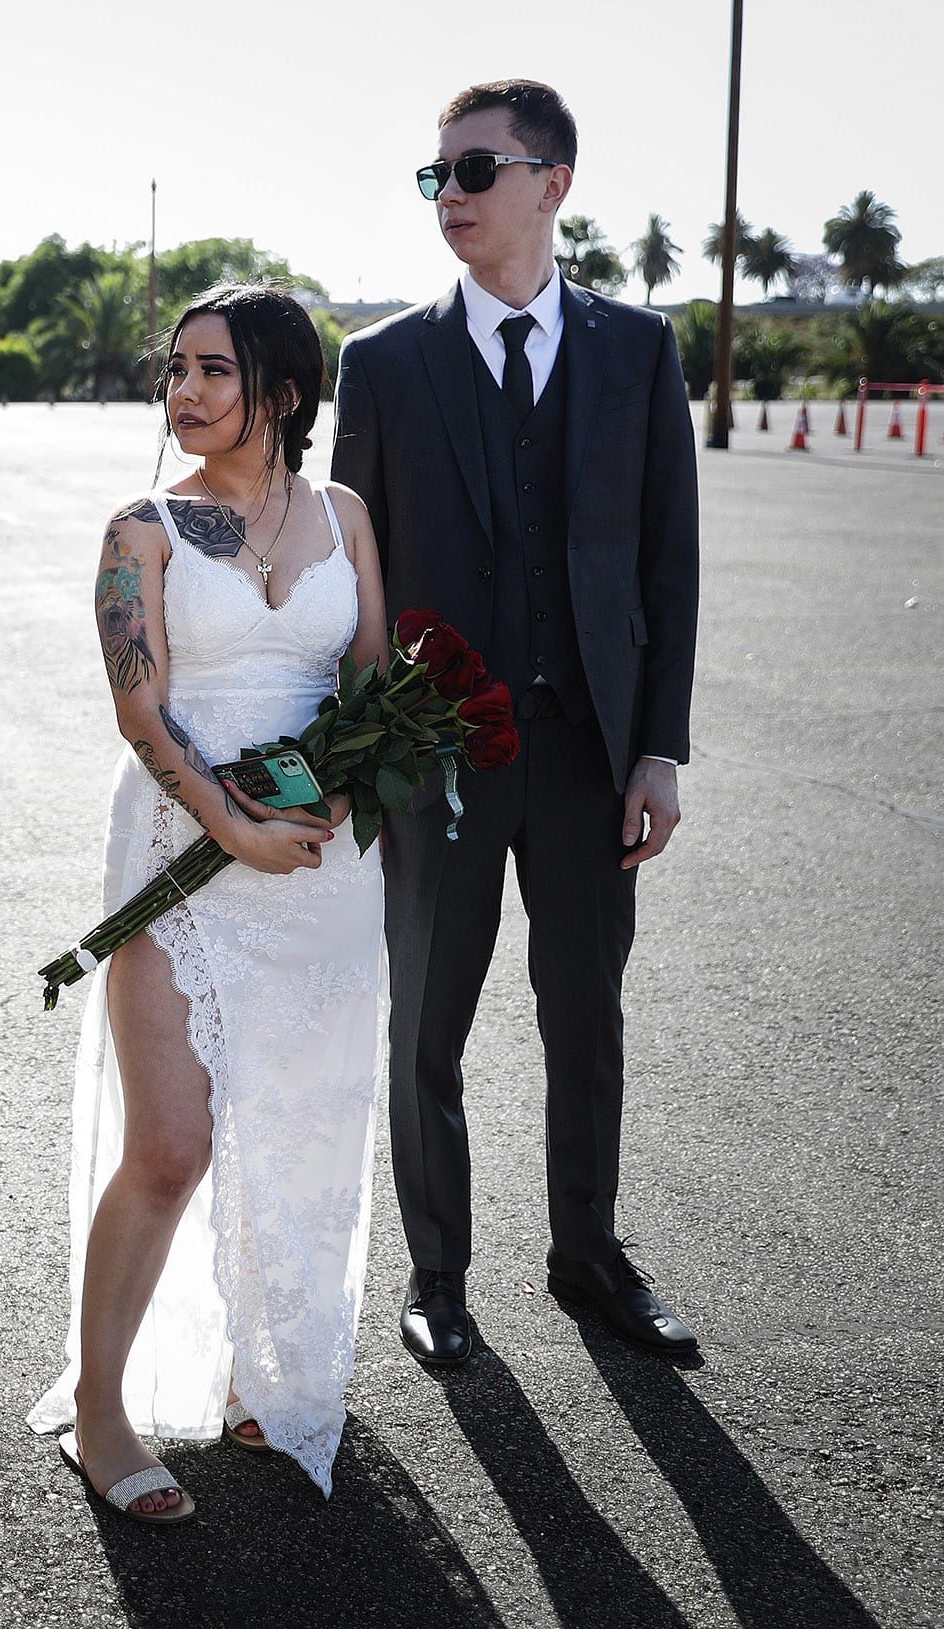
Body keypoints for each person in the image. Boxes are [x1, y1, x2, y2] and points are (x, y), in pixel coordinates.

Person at [332, 79, 701, 1371]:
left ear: (553, 183)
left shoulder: (638, 353)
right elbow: (352, 577)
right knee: (425, 1022)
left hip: (595, 752)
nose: (452, 196)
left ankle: (588, 1255)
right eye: (436, 175)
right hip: (435, 761)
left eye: (476, 171)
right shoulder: (377, 365)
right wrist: (358, 755)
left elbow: (668, 569)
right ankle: (439, 1276)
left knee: (584, 1017)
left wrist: (661, 745)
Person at [29, 283, 391, 1519]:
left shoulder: (343, 514)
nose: (182, 392)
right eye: (173, 369)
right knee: (171, 1147)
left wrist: (348, 791)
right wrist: (227, 821)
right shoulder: (142, 531)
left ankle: (262, 1371)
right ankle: (99, 1408)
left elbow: (370, 683)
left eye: (212, 371)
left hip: (320, 874)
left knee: (296, 1127)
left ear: (282, 393)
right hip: (184, 855)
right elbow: (141, 706)